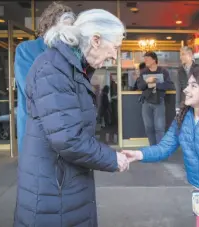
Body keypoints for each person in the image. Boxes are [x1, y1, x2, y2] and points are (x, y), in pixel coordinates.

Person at [14, 9, 129, 227]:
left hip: (61, 184)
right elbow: (68, 138)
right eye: (115, 47)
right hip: (54, 190)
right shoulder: (54, 69)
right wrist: (113, 159)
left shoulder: (71, 68)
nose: (115, 56)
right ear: (95, 40)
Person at [124, 67, 199, 227]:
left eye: (193, 86)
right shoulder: (183, 118)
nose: (186, 89)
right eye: (188, 85)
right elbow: (164, 147)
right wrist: (138, 154)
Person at [14, 2, 73, 154]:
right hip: (36, 132)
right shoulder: (26, 50)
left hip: (67, 134)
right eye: (64, 27)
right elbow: (32, 87)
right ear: (50, 26)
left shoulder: (71, 54)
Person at [136, 51, 173, 145]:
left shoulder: (163, 71)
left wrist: (155, 84)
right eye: (144, 59)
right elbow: (140, 86)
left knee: (160, 127)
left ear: (154, 60)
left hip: (159, 102)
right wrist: (147, 83)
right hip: (146, 102)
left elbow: (169, 85)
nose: (145, 61)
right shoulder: (144, 72)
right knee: (148, 127)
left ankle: (160, 150)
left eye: (147, 59)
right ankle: (153, 149)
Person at [175, 46, 199, 113]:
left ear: (189, 54)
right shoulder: (179, 70)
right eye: (180, 55)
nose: (180, 57)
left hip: (197, 103)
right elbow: (178, 88)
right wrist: (177, 106)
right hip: (184, 103)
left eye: (182, 54)